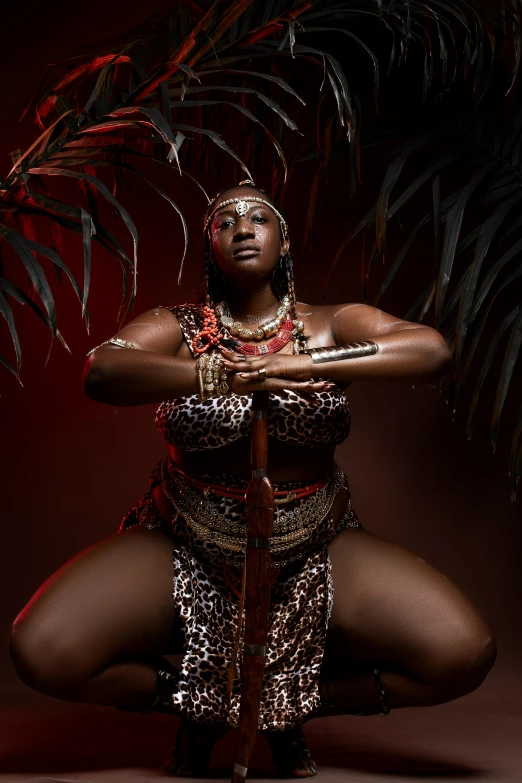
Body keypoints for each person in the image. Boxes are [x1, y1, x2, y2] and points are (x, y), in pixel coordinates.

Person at [8, 180, 497, 778]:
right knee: (42, 648)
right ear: (210, 245)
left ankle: (286, 705)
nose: (242, 229)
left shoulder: (329, 323)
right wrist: (220, 376)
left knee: (463, 651)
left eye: (258, 218)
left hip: (311, 540)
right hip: (188, 538)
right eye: (224, 222)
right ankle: (200, 706)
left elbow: (430, 349)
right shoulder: (178, 326)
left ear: (282, 240)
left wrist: (300, 363)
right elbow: (102, 371)